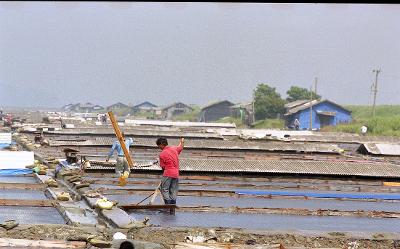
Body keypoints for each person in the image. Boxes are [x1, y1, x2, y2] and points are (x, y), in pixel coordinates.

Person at [156, 137, 184, 205]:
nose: (159, 147)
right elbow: (180, 147)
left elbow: (163, 167)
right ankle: (172, 208)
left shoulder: (162, 154)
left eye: (159, 146)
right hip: (176, 174)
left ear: (162, 144)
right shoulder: (174, 149)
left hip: (168, 173)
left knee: (164, 189)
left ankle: (167, 206)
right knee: (173, 191)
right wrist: (182, 141)